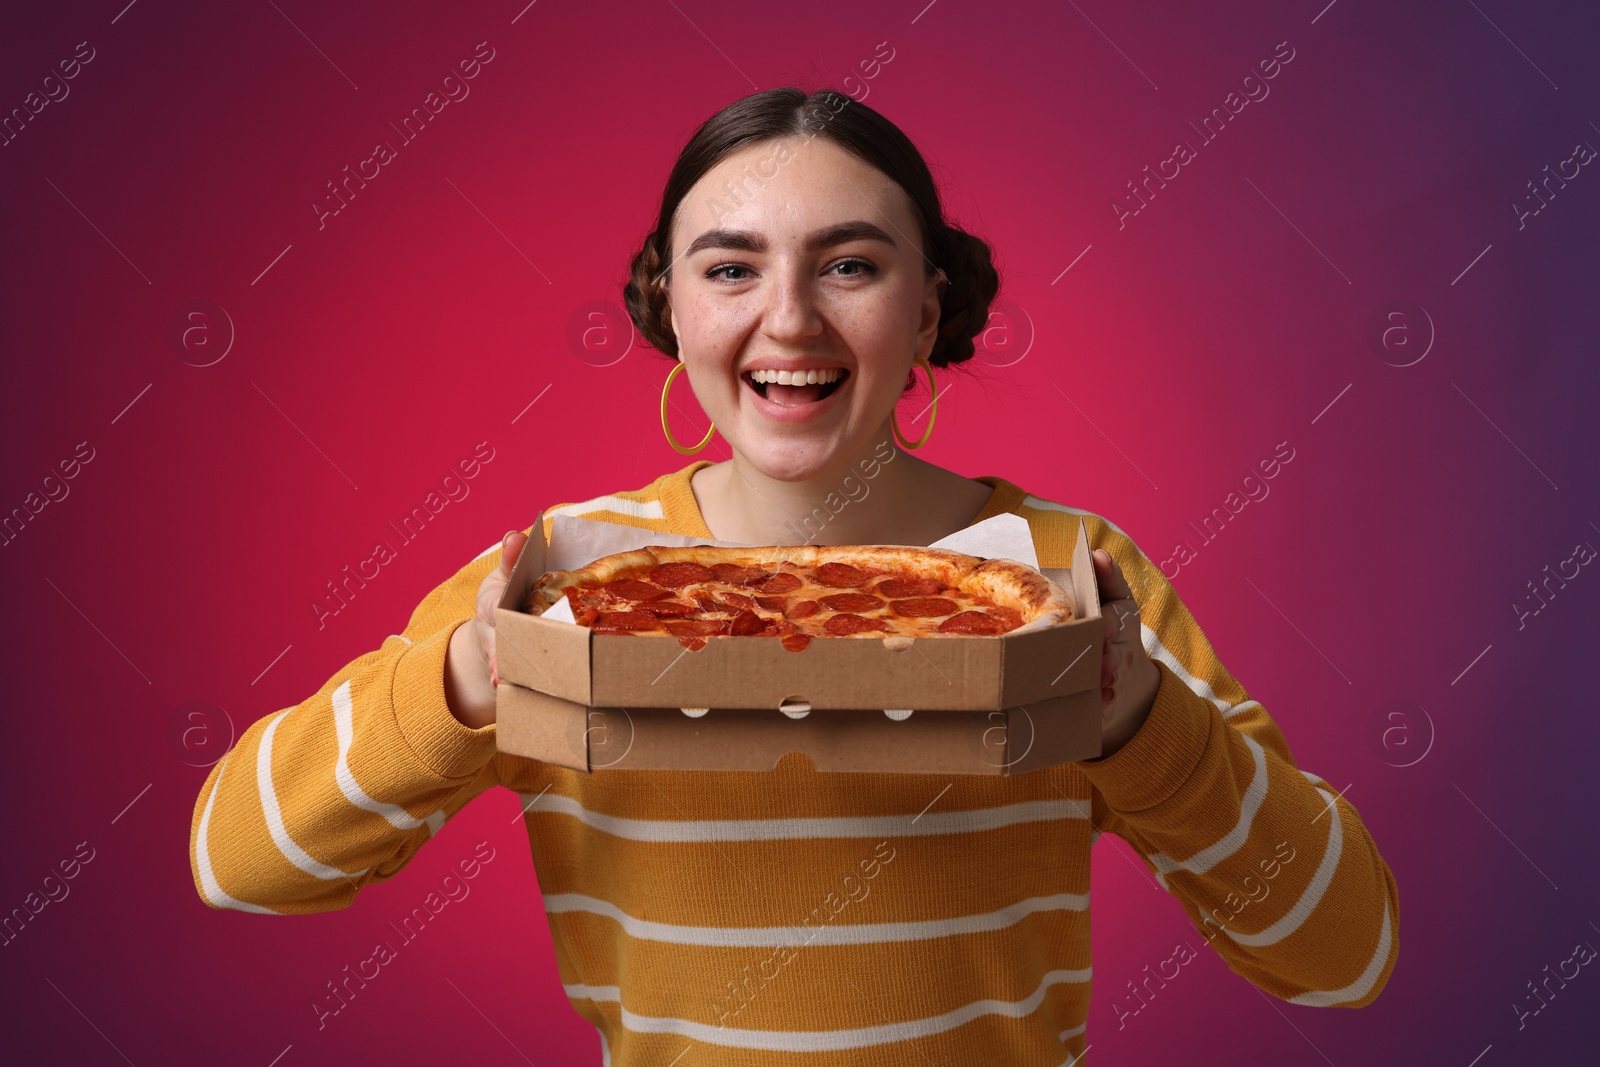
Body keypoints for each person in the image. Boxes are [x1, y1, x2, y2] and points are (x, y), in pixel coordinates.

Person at [190, 88, 1398, 1065]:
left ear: (928, 310)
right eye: (729, 269)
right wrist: (465, 678)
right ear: (668, 306)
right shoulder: (563, 575)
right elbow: (237, 860)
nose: (789, 321)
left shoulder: (1065, 576)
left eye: (850, 267)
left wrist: (1141, 722)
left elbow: (1341, 952)